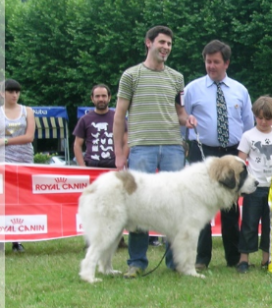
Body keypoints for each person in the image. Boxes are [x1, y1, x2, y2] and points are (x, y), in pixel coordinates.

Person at [113, 25, 194, 278]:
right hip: (142, 148)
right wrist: (119, 154)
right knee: (139, 205)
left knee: (175, 206)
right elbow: (119, 116)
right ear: (148, 43)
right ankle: (137, 262)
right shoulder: (131, 75)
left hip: (173, 147)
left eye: (169, 44)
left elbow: (180, 113)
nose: (166, 48)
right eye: (161, 42)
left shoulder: (177, 78)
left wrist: (187, 120)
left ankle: (176, 262)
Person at [184, 39, 254, 271]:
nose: (211, 66)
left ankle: (233, 257)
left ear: (227, 63)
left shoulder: (239, 90)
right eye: (207, 61)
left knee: (230, 208)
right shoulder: (192, 89)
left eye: (216, 62)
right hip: (203, 152)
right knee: (201, 206)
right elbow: (182, 119)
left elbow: (247, 124)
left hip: (232, 153)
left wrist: (245, 155)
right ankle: (201, 258)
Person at [236, 96, 272, 273]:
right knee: (249, 223)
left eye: (267, 118)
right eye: (259, 117)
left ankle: (266, 258)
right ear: (255, 116)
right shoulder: (248, 136)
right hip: (253, 188)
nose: (263, 122)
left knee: (271, 224)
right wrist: (238, 184)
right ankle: (244, 259)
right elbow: (240, 161)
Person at [73, 84, 129, 249]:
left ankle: (118, 240)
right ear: (92, 99)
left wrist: (123, 161)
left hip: (114, 168)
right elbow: (77, 145)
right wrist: (83, 168)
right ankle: (92, 240)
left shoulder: (118, 118)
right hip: (93, 168)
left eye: (104, 96)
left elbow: (127, 141)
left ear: (109, 98)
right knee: (94, 207)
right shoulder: (85, 120)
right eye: (97, 96)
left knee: (116, 206)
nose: (101, 99)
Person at [1, 79, 35, 253]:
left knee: (19, 201)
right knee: (2, 201)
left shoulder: (27, 111)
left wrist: (5, 141)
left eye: (17, 92)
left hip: (24, 161)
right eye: (10, 91)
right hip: (2, 162)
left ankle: (17, 240)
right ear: (2, 93)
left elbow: (29, 137)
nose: (14, 95)